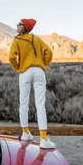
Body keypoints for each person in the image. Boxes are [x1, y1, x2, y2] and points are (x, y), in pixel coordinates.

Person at [9, 18, 55, 149]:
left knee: (23, 102)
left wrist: (18, 67)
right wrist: (44, 63)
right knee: (40, 104)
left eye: (19, 24)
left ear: (24, 27)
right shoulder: (37, 40)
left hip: (25, 72)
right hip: (39, 71)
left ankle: (25, 133)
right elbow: (49, 52)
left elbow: (11, 57)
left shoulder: (17, 40)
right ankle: (44, 138)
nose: (17, 26)